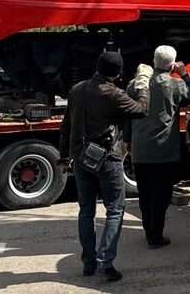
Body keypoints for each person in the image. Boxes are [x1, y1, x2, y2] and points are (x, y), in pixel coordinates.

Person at [58, 51, 150, 281]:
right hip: (108, 159)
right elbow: (141, 110)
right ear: (118, 74)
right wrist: (143, 84)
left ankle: (88, 263)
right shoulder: (115, 94)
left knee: (86, 211)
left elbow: (65, 126)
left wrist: (64, 155)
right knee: (115, 210)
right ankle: (106, 262)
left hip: (81, 158)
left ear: (97, 67)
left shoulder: (77, 89)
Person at [124, 46, 190, 249]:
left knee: (145, 193)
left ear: (153, 60)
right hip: (164, 151)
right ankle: (155, 235)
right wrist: (185, 75)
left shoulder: (135, 84)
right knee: (162, 194)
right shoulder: (174, 84)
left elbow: (127, 114)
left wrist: (127, 139)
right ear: (172, 64)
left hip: (140, 150)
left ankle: (149, 229)